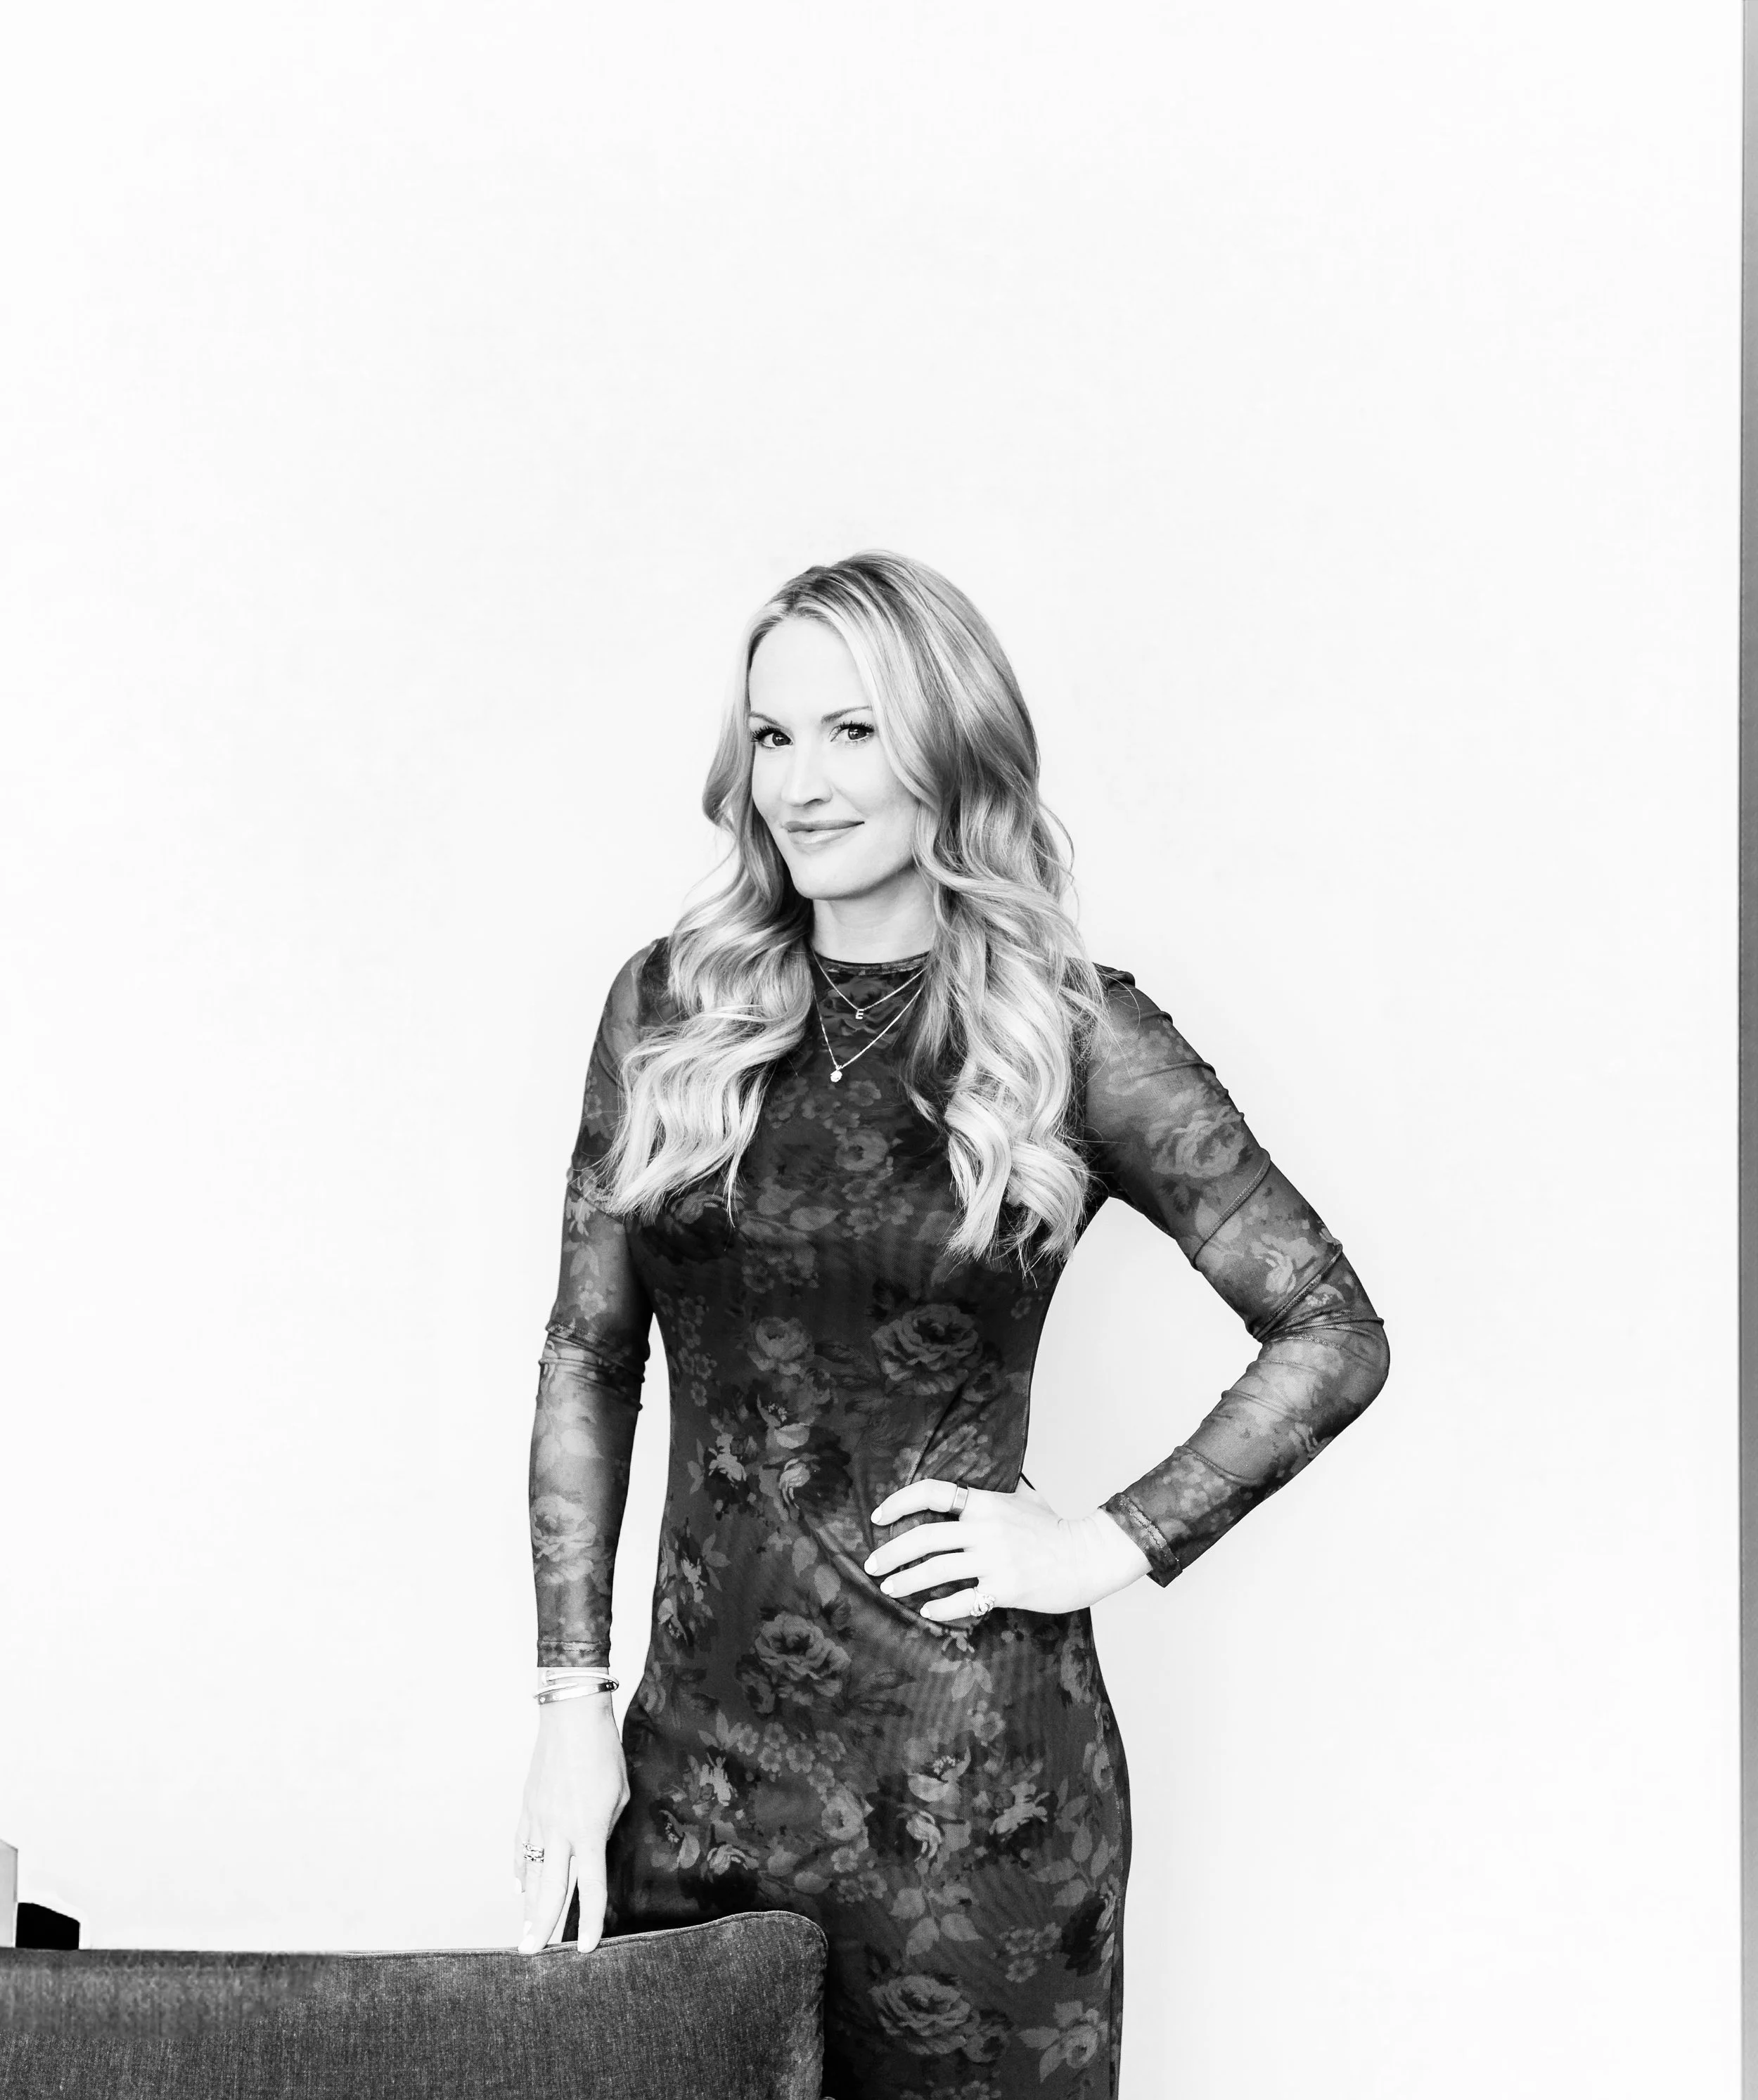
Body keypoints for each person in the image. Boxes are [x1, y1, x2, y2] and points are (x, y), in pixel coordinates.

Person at [513, 550, 1390, 2099]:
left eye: (851, 732)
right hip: (691, 1775)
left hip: (972, 1781)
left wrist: (1101, 1540)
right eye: (772, 736)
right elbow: (590, 1358)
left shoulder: (1065, 1030)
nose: (801, 782)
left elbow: (1328, 1325)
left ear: (948, 747)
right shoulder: (669, 1007)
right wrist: (568, 1709)